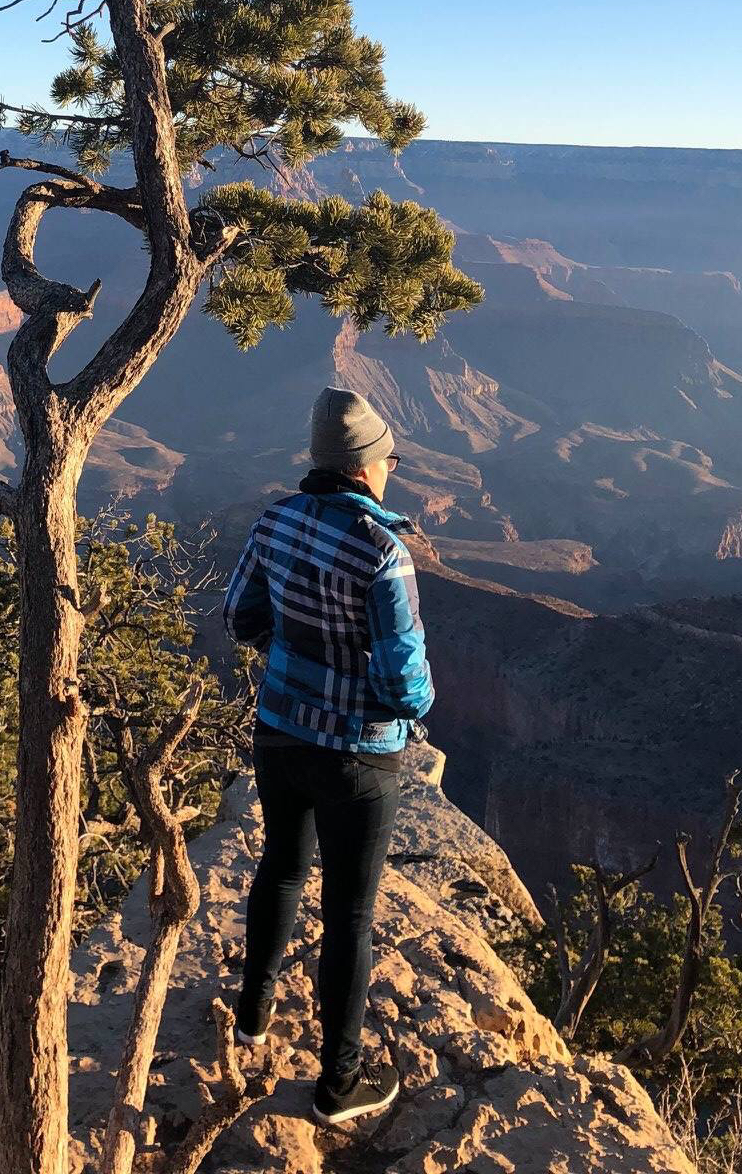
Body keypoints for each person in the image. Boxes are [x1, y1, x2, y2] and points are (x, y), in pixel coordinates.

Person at [222, 385, 434, 1126]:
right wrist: (397, 706)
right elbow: (407, 681)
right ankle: (337, 1086)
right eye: (389, 460)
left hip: (279, 730)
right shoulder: (383, 551)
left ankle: (251, 1017)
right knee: (349, 913)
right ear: (367, 467)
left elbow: (240, 616)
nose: (391, 469)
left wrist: (295, 656)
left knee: (280, 866)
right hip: (356, 754)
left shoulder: (274, 522)